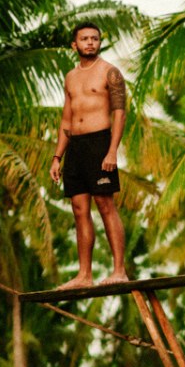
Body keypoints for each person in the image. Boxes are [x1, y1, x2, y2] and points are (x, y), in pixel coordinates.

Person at [49, 22, 129, 288]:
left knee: (105, 204)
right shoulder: (70, 77)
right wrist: (57, 157)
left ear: (99, 42)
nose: (90, 43)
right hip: (76, 147)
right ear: (75, 45)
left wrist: (112, 151)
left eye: (94, 38)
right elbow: (67, 119)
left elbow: (120, 113)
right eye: (84, 39)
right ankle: (84, 275)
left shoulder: (110, 72)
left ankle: (119, 271)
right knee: (79, 208)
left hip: (99, 143)